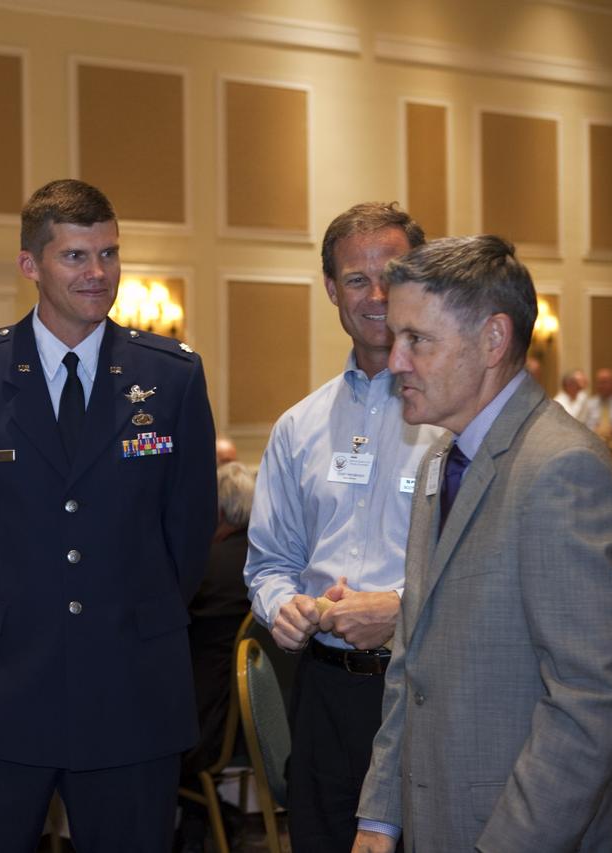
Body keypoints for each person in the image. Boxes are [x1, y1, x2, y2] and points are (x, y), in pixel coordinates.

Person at [0, 178, 217, 852]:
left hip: (131, 690)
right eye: (75, 256)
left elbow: (189, 533)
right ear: (30, 264)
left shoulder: (171, 376)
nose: (98, 273)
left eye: (109, 254)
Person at [353, 235, 612, 852]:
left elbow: (593, 702)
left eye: (417, 340)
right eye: (395, 336)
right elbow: (412, 660)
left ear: (492, 339)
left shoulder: (562, 469)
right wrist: (380, 817)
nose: (394, 359)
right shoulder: (442, 458)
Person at [244, 202, 438, 852]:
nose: (377, 295)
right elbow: (269, 562)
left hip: (430, 693)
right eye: (357, 278)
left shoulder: (460, 420)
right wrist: (285, 608)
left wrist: (402, 609)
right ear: (331, 289)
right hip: (325, 695)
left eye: (394, 273)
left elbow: (497, 572)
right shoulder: (299, 427)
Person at [178, 461, 258, 852]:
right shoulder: (271, 567)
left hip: (206, 730)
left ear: (220, 511)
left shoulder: (204, 573)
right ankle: (204, 825)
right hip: (259, 726)